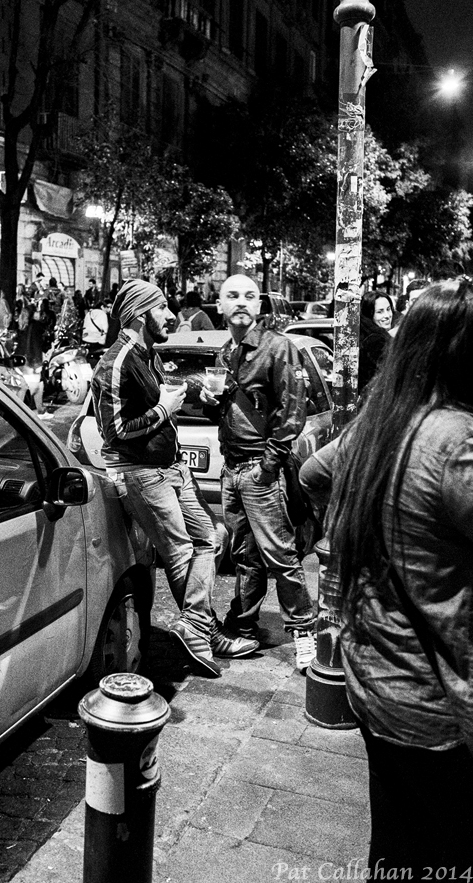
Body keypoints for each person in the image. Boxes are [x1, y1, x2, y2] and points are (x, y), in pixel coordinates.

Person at [303, 279, 473, 877]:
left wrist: (373, 536)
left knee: (397, 847)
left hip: (374, 678)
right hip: (435, 701)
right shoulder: (457, 442)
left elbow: (312, 474)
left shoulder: (376, 422)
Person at [92, 278, 258, 679]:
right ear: (139, 313)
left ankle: (195, 624)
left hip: (172, 468)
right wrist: (164, 410)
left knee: (213, 536)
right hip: (141, 473)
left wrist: (193, 394)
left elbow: (161, 395)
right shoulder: (114, 363)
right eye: (162, 307)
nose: (171, 315)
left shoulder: (149, 355)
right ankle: (205, 635)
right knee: (182, 551)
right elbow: (114, 431)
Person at [200, 273, 316, 671]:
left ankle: (304, 632)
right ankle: (244, 626)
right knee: (245, 556)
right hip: (231, 469)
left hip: (258, 471)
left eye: (249, 296)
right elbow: (224, 412)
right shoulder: (225, 354)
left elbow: (292, 413)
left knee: (281, 556)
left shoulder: (278, 348)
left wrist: (267, 468)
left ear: (259, 305)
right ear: (219, 305)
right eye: (232, 296)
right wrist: (210, 401)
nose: (241, 302)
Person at [358, 290, 392, 395]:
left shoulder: (366, 336)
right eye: (380, 312)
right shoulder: (376, 341)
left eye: (388, 309)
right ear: (369, 315)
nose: (387, 315)